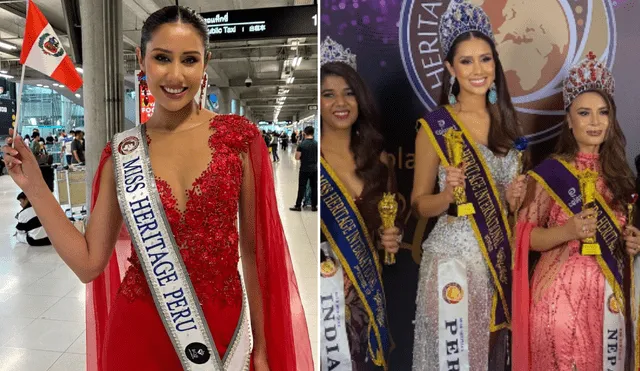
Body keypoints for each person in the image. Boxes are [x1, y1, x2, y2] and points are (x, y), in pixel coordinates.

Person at [2, 5, 311, 371]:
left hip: (223, 329)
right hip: (136, 332)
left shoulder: (239, 140)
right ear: (141, 58)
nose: (176, 75)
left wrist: (261, 347)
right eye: (162, 58)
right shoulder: (120, 153)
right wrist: (35, 186)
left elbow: (256, 252)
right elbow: (89, 263)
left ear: (206, 63)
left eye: (190, 60)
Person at [410, 1, 526, 369]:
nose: (478, 70)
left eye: (486, 59)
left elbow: (513, 212)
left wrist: (512, 200)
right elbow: (418, 203)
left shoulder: (508, 123)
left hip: (495, 266)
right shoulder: (436, 126)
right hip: (451, 263)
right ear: (449, 68)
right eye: (466, 61)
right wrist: (446, 196)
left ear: (496, 63)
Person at [512, 52, 639, 371]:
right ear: (569, 119)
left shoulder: (620, 176)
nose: (595, 122)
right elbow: (524, 236)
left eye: (603, 112)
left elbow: (623, 240)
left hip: (608, 305)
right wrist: (566, 231)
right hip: (558, 304)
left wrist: (632, 245)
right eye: (585, 113)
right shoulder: (551, 172)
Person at [319, 37, 401, 371]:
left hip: (366, 303)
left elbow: (387, 228)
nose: (341, 102)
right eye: (328, 94)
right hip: (325, 302)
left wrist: (389, 240)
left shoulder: (379, 160)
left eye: (348, 92)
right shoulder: (316, 163)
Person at [290, 126, 317, 212]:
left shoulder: (302, 144)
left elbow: (297, 157)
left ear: (304, 133)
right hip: (314, 169)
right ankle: (314, 206)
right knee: (314, 187)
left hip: (304, 169)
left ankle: (298, 206)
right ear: (313, 133)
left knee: (302, 187)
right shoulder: (316, 144)